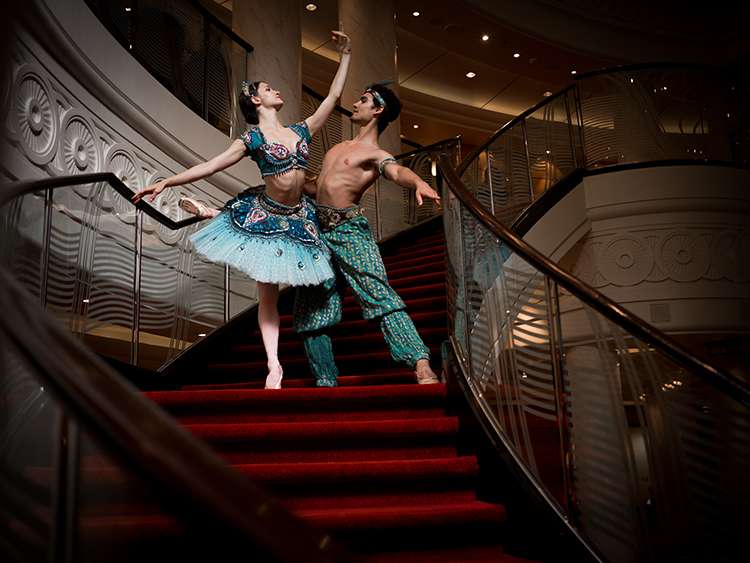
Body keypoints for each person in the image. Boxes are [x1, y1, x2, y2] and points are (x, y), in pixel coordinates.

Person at [132, 30, 352, 390]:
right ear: (255, 99)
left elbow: (333, 97)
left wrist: (346, 56)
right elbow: (211, 165)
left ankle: (209, 211)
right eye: (268, 89)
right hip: (267, 215)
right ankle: (274, 365)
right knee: (267, 293)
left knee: (317, 278)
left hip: (299, 217)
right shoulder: (252, 139)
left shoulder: (301, 129)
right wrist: (167, 182)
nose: (276, 91)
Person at [293, 82, 442, 386]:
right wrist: (284, 180)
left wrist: (416, 183)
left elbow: (395, 170)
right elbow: (318, 187)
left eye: (363, 100)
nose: (356, 104)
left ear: (378, 109)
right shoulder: (336, 148)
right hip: (317, 232)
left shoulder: (376, 153)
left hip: (349, 229)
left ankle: (420, 363)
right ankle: (325, 380)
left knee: (379, 295)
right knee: (311, 309)